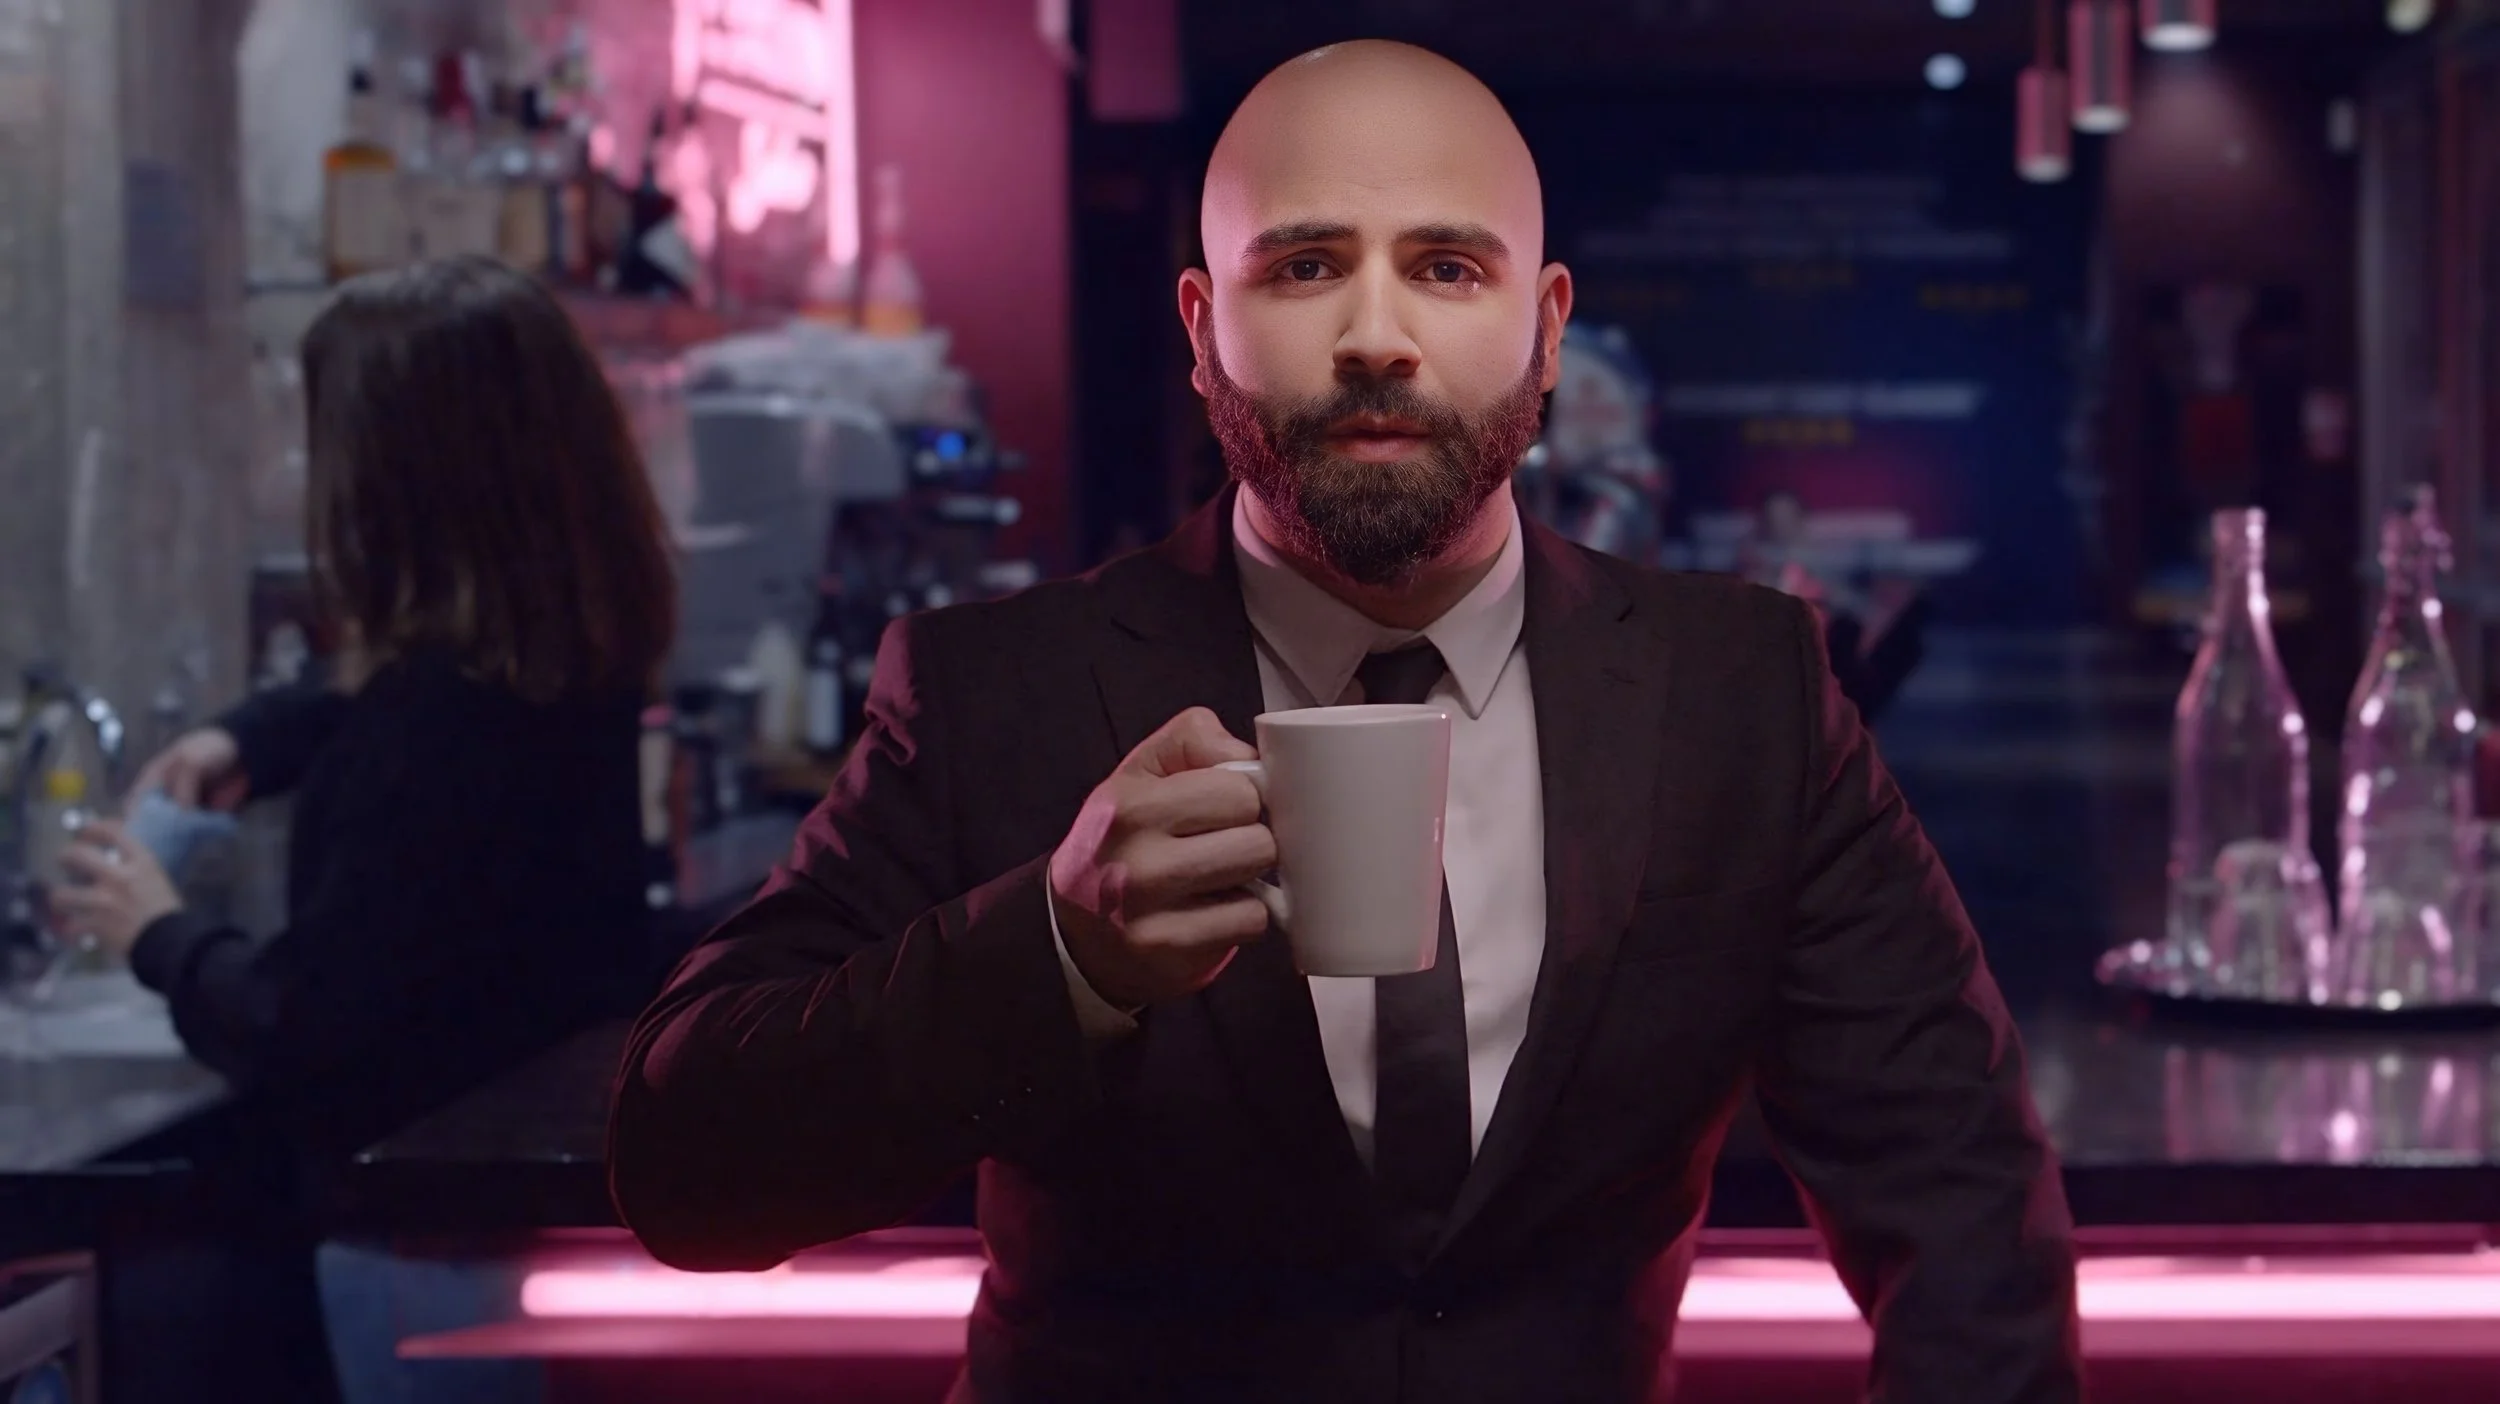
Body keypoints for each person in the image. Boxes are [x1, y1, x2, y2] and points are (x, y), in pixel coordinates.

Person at [608, 41, 2080, 1403]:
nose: (1377, 335)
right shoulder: (1000, 685)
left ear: (1547, 327)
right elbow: (684, 1162)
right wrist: (1055, 956)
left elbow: (1962, 1220)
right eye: (1308, 265)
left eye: (1446, 266)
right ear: (1203, 325)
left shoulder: (1740, 693)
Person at [54, 255, 676, 1404]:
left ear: (398, 476)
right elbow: (396, 708)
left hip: (427, 1242)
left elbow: (306, 1024)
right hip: (533, 1213)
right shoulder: (558, 663)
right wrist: (254, 736)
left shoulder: (433, 734)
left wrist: (157, 932)